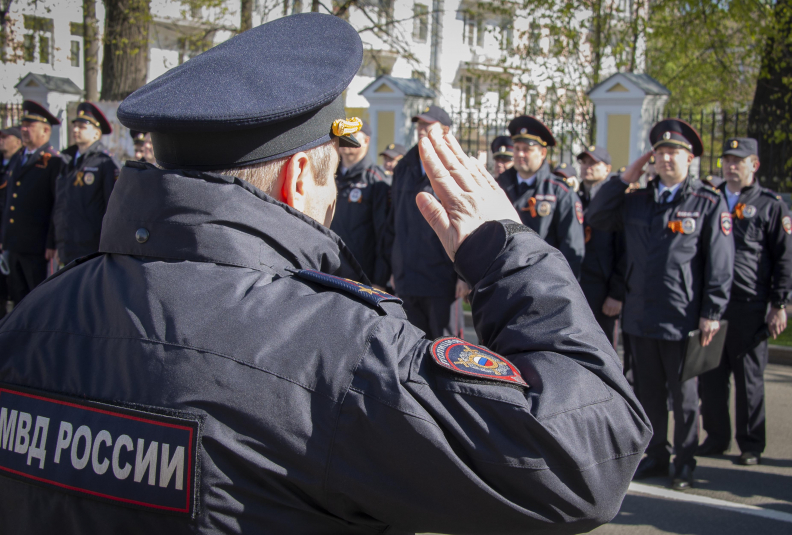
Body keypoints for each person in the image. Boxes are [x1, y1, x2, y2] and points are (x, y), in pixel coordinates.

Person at [0, 14, 651, 534]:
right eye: (330, 172)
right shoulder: (338, 350)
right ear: (300, 175)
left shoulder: (34, 320)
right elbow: (587, 458)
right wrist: (511, 252)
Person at [587, 118, 734, 490]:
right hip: (640, 315)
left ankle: (684, 462)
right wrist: (626, 176)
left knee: (684, 397)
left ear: (689, 159)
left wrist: (711, 312)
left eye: (675, 152)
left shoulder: (706, 202)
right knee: (648, 392)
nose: (667, 158)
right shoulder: (636, 200)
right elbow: (597, 216)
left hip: (683, 318)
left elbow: (720, 262)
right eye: (660, 152)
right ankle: (655, 455)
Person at [698, 138, 792, 465]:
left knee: (749, 379)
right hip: (712, 304)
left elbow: (784, 259)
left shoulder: (770, 204)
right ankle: (716, 437)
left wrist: (778, 303)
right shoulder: (710, 199)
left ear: (754, 164)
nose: (731, 166)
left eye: (738, 160)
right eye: (727, 160)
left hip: (749, 304)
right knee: (710, 375)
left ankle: (751, 444)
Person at [388, 105, 469, 338]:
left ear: (445, 130)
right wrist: (390, 268)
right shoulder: (404, 167)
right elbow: (393, 222)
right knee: (412, 349)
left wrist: (463, 276)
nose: (421, 129)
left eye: (427, 124)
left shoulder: (456, 168)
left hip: (441, 280)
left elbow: (466, 225)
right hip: (407, 277)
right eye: (419, 124)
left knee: (447, 349)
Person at [496, 116, 585, 278]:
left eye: (527, 149)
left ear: (542, 153)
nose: (520, 154)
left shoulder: (560, 192)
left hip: (542, 282)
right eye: (517, 148)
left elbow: (571, 247)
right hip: (501, 280)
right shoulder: (497, 186)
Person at [0, 100, 64, 303]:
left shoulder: (54, 161)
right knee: (18, 298)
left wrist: (52, 241)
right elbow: (11, 198)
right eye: (23, 126)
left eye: (30, 126)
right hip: (14, 243)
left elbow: (58, 205)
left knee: (37, 299)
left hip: (38, 246)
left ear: (45, 131)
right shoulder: (18, 158)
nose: (24, 130)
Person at [53, 102, 120, 267]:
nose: (75, 130)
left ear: (96, 133)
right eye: (75, 126)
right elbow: (59, 204)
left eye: (82, 126)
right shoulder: (66, 159)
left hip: (90, 248)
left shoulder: (105, 163)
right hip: (66, 245)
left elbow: (112, 208)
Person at [330, 122, 391, 288]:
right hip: (329, 269)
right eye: (343, 135)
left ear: (366, 141)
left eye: (353, 136)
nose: (346, 140)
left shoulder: (375, 180)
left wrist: (379, 279)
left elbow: (384, 234)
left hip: (362, 276)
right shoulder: (330, 176)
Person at [576, 146, 625, 345]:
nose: (588, 167)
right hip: (578, 282)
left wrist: (616, 293)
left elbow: (624, 251)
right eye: (584, 162)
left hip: (603, 288)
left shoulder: (616, 202)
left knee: (604, 350)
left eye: (594, 163)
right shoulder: (573, 197)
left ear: (607, 169)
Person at [0, 125, 22, 318]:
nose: (1, 140)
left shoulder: (20, 162)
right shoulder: (8, 163)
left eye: (5, 137)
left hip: (24, 241)